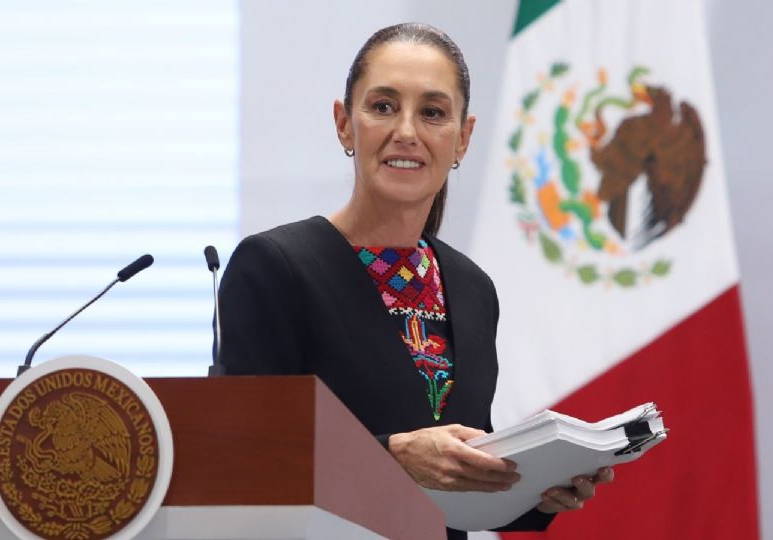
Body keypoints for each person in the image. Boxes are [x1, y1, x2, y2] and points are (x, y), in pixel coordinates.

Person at [217, 23, 613, 538]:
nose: (406, 130)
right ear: (344, 124)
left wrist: (541, 491)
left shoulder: (472, 288)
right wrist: (393, 455)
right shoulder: (273, 266)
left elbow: (459, 476)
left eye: (432, 112)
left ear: (462, 138)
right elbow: (241, 454)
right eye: (382, 106)